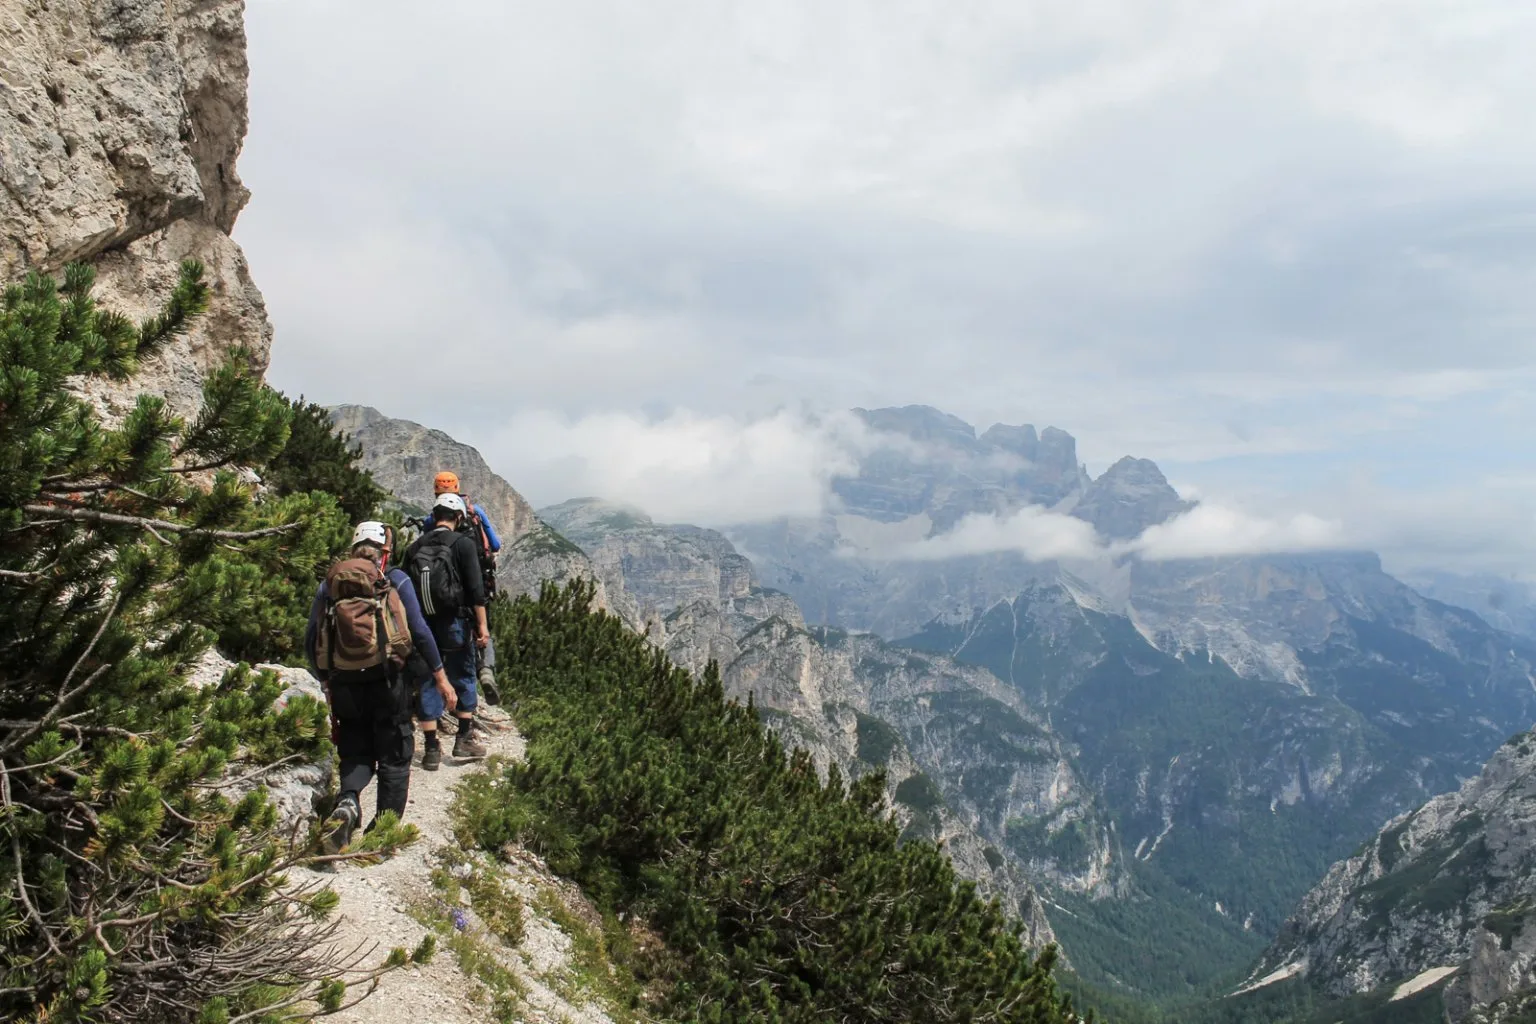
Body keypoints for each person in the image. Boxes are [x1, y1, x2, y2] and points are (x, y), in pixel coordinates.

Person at [305, 522, 457, 853]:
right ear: (383, 553)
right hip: (389, 683)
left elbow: (311, 638)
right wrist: (441, 677)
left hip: (345, 682)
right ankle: (378, 838)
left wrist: (326, 681)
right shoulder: (395, 581)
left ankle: (347, 803)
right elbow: (419, 632)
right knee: (395, 756)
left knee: (356, 746)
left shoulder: (329, 586)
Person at [402, 492, 490, 767]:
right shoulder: (462, 544)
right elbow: (476, 589)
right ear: (459, 517)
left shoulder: (415, 548)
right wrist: (482, 626)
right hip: (455, 621)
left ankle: (430, 748)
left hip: (423, 625)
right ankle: (463, 739)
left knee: (429, 676)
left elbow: (404, 591)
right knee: (463, 674)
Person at [424, 470, 503, 705]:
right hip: (477, 583)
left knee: (440, 632)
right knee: (482, 630)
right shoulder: (475, 511)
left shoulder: (433, 518)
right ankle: (485, 670)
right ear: (458, 488)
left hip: (444, 588)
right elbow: (495, 544)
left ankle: (441, 684)